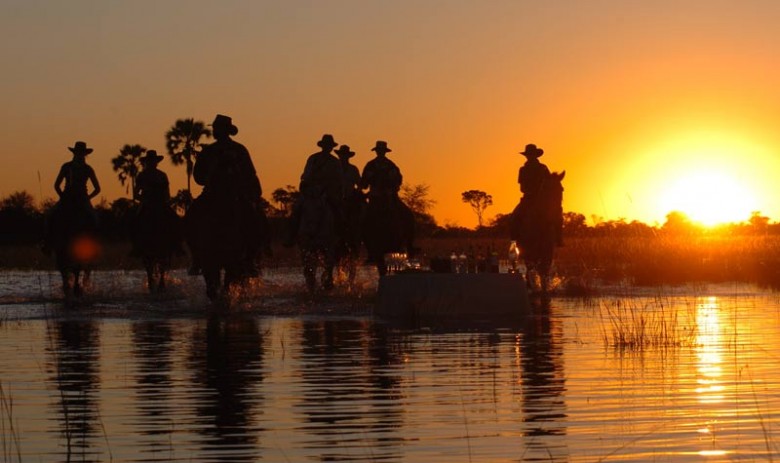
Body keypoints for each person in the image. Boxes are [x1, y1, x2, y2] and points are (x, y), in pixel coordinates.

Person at [191, 114, 264, 275]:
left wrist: (251, 192)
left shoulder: (239, 150)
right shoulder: (208, 151)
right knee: (192, 215)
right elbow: (199, 178)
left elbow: (250, 174)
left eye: (218, 128)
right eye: (215, 128)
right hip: (212, 194)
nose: (216, 131)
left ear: (226, 130)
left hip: (236, 194)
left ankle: (251, 258)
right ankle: (196, 256)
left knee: (256, 220)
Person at [283, 134, 345, 246]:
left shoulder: (335, 162)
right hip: (311, 192)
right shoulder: (313, 159)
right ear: (322, 146)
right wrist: (307, 187)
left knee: (338, 213)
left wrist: (332, 191)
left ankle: (341, 239)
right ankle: (290, 237)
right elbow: (306, 175)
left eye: (329, 146)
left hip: (328, 193)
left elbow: (338, 181)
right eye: (326, 145)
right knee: (297, 210)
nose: (328, 147)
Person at [43, 141, 101, 254]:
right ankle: (47, 244)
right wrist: (63, 196)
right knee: (49, 216)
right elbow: (56, 185)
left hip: (83, 198)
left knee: (94, 218)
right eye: (78, 153)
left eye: (82, 153)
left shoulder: (88, 169)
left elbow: (97, 188)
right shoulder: (66, 167)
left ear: (85, 154)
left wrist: (88, 198)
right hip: (67, 197)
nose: (80, 155)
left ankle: (94, 246)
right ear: (74, 153)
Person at [130, 150, 181, 256]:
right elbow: (136, 194)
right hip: (146, 203)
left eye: (153, 161)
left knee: (175, 221)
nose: (152, 163)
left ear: (156, 162)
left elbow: (167, 193)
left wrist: (166, 201)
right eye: (150, 161)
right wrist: (144, 200)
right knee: (135, 221)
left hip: (161, 203)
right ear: (147, 162)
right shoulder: (142, 175)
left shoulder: (162, 175)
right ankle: (136, 247)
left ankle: (177, 246)